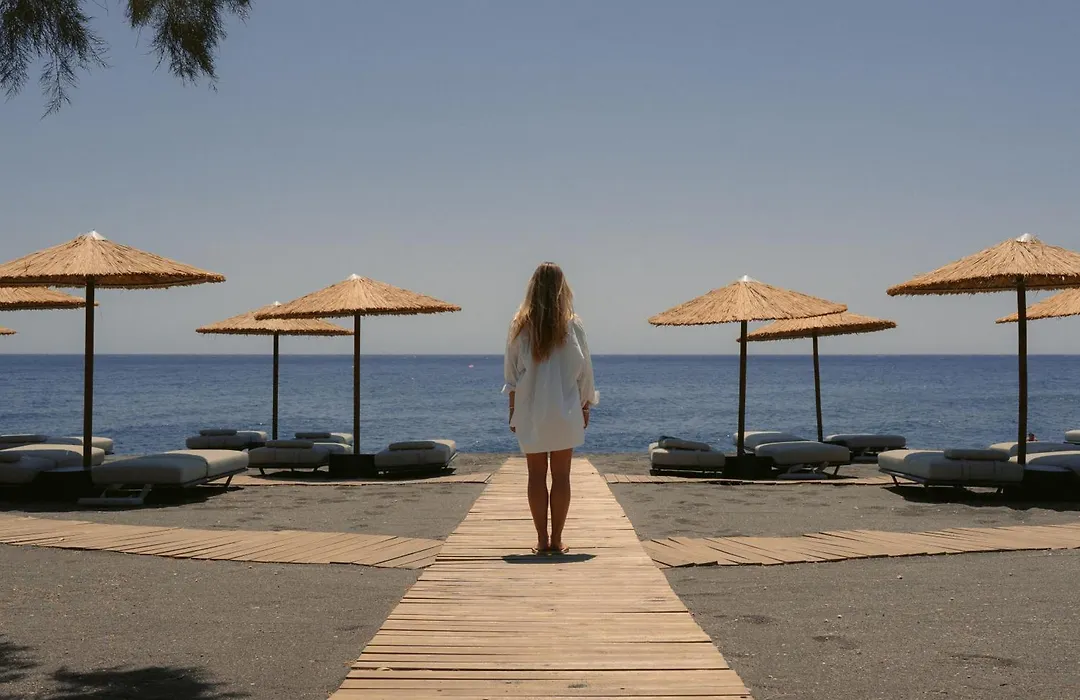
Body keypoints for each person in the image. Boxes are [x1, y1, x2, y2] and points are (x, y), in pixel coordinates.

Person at [503, 262, 598, 555]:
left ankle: (542, 540)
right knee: (561, 476)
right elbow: (585, 371)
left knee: (535, 475)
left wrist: (512, 411)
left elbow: (511, 374)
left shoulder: (520, 325)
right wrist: (585, 405)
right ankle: (557, 540)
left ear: (532, 287)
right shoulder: (573, 325)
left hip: (530, 409)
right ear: (562, 288)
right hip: (565, 409)